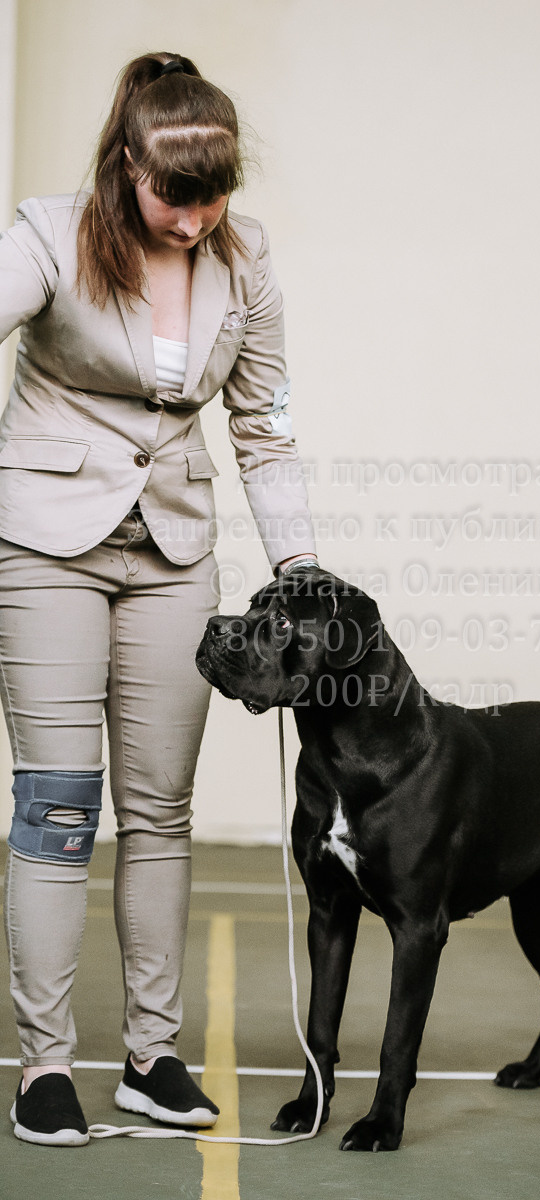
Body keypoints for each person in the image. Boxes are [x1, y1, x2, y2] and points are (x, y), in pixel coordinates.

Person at [0, 51, 318, 1146]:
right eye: (174, 196)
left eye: (213, 193)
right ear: (127, 166)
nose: (194, 219)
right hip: (46, 545)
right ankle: (44, 1067)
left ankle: (152, 1057)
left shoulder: (248, 259)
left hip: (175, 552)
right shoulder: (47, 235)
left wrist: (299, 570)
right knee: (54, 806)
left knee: (160, 811)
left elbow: (265, 430)